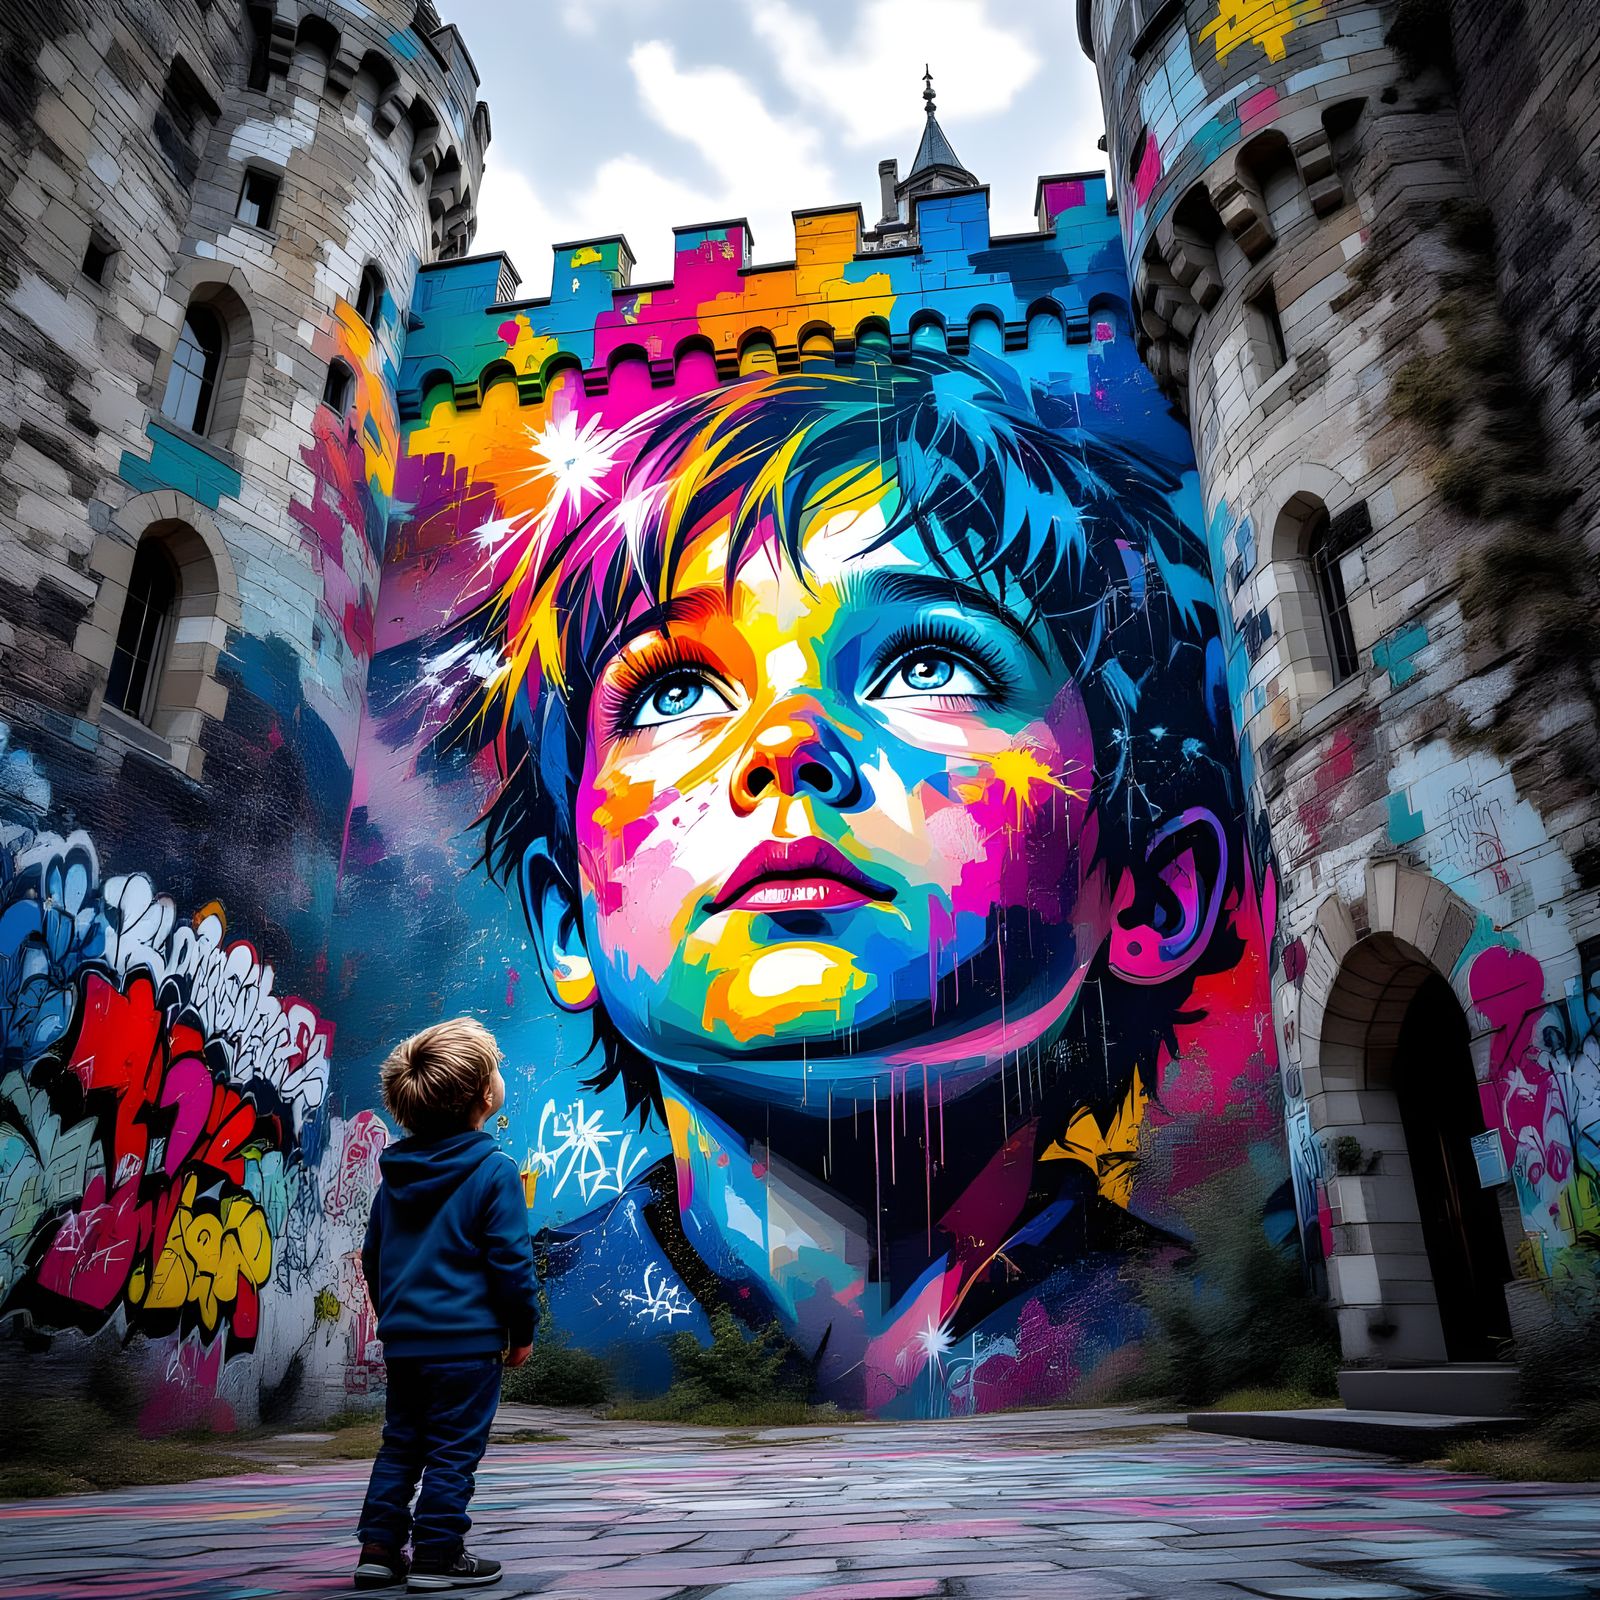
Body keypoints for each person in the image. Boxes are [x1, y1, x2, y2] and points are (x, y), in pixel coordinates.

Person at [438, 350, 1248, 1413]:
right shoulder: (534, 1314)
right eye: (678, 686)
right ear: (565, 920)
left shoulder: (1163, 1313)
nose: (784, 742)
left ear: (1154, 891)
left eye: (927, 666)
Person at [355, 1016, 536, 1590]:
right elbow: (510, 1261)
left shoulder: (396, 1177)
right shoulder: (494, 1170)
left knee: (402, 1443)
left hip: (407, 1342)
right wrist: (520, 1330)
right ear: (485, 1096)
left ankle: (379, 1551)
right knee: (454, 1450)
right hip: (467, 1344)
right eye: (497, 1072)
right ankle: (438, 1554)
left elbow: (372, 1255)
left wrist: (395, 1318)